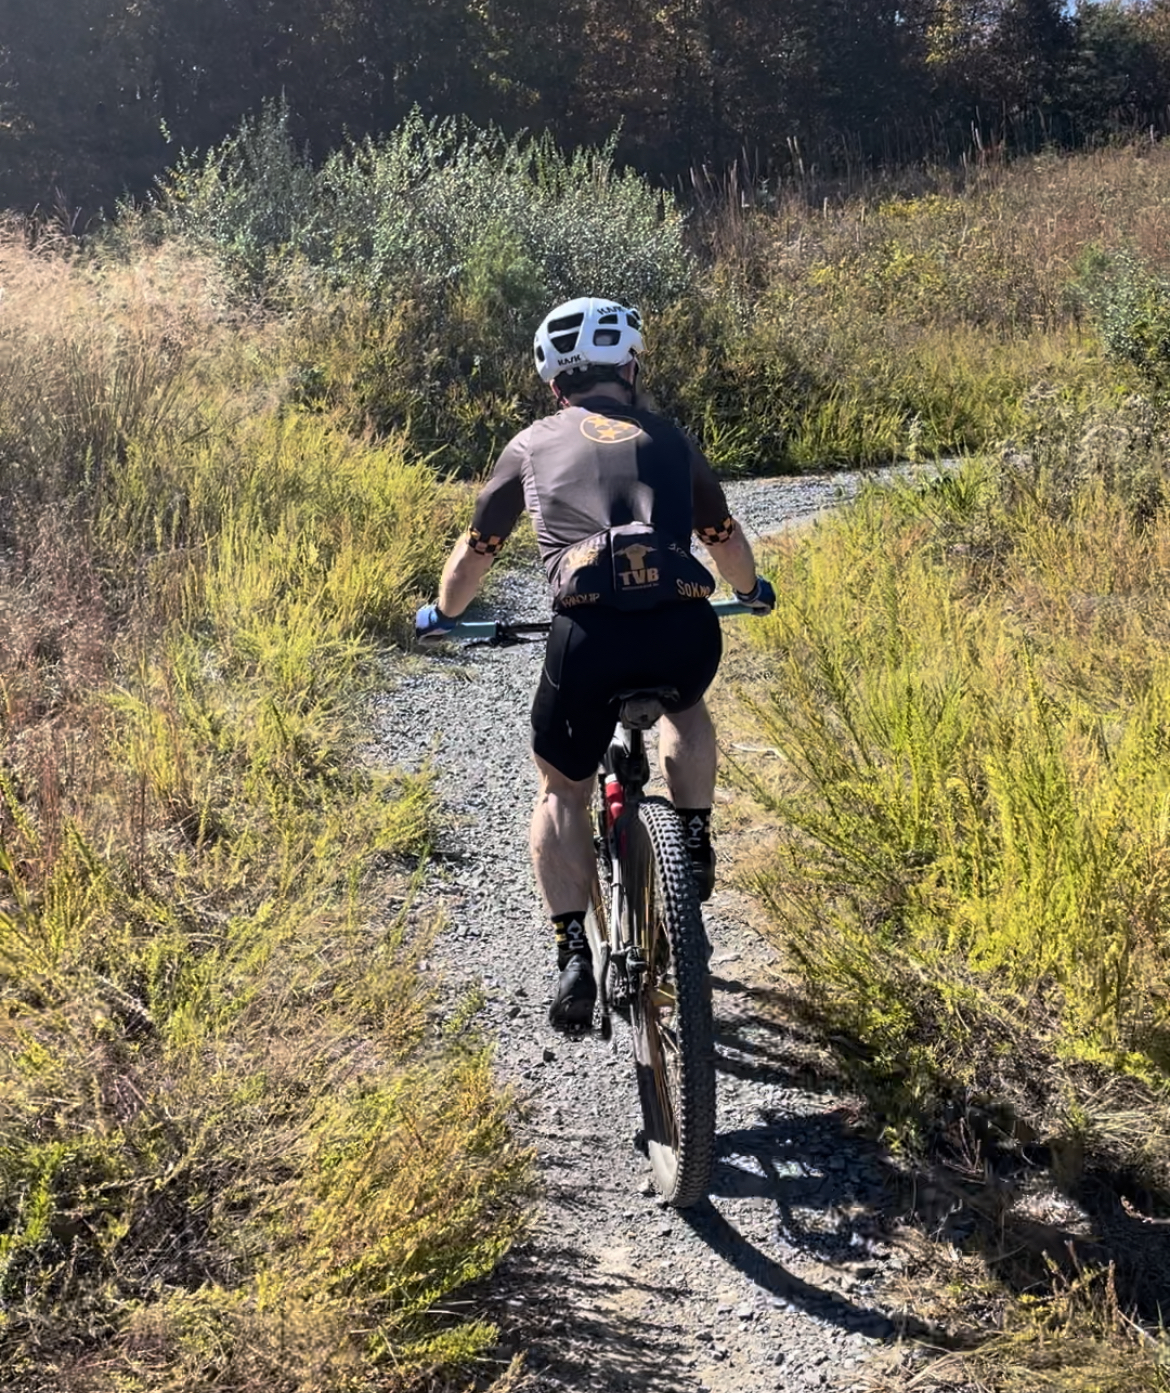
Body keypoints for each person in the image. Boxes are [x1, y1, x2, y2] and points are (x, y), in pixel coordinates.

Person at [416, 296, 775, 1030]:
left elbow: (477, 553)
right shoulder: (670, 437)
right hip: (681, 628)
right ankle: (694, 835)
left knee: (561, 789)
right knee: (686, 708)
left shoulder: (530, 443)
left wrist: (445, 615)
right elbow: (723, 537)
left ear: (556, 382)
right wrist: (750, 591)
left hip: (588, 638)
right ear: (631, 369)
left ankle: (573, 952)